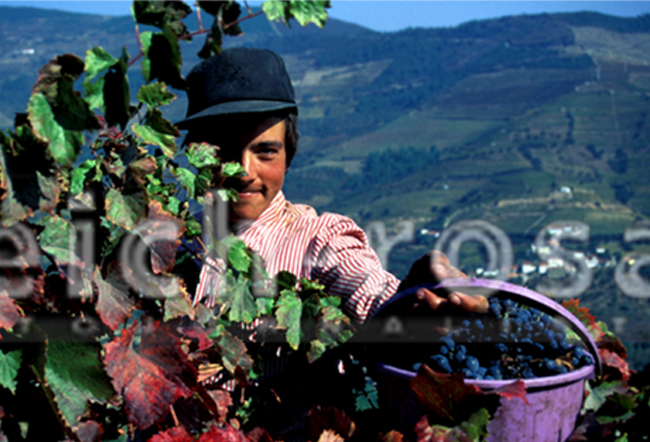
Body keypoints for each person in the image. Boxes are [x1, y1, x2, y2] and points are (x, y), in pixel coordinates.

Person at [176, 47, 487, 325]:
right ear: (195, 154)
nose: (244, 172)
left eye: (265, 152)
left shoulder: (321, 240)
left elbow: (372, 294)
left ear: (289, 156)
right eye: (225, 153)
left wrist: (410, 297)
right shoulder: (174, 244)